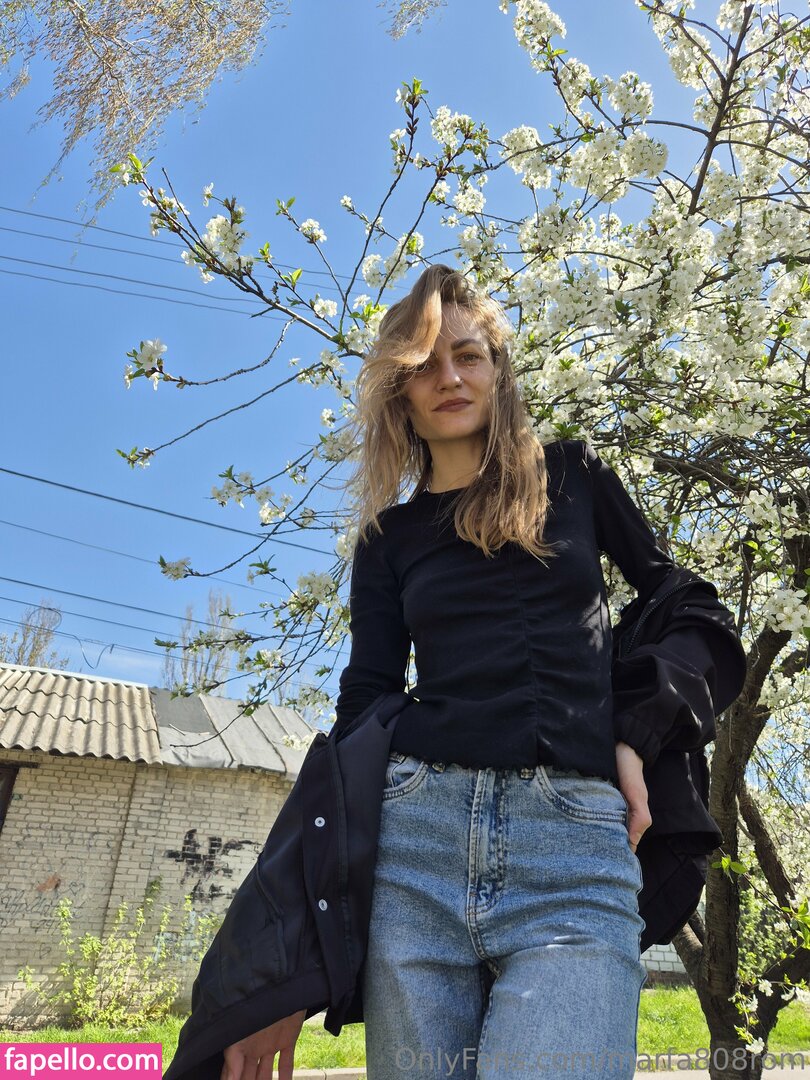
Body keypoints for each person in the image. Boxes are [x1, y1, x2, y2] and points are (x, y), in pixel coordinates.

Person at [221, 264, 681, 1080]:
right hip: (415, 855)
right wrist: (290, 971)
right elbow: (364, 706)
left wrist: (637, 733)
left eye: (468, 356)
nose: (449, 378)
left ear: (498, 372)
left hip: (573, 845)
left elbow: (685, 604)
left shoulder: (574, 478)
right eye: (423, 364)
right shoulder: (387, 540)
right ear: (400, 393)